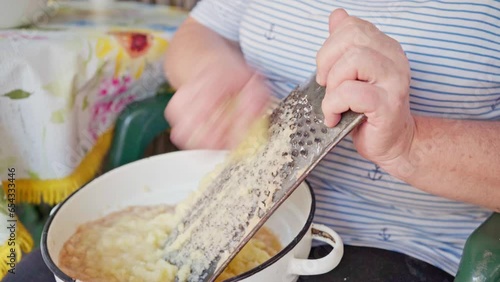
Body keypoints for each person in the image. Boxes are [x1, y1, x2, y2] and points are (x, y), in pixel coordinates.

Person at [163, 0, 500, 277]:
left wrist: (409, 145)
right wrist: (210, 69)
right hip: (241, 215)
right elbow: (200, 31)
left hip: (404, 251)